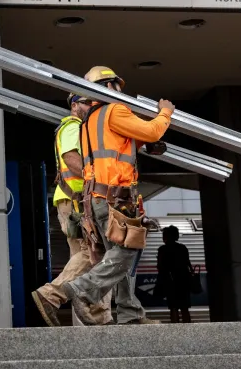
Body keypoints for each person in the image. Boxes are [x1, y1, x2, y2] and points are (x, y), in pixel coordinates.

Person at [61, 65, 174, 325]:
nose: (120, 91)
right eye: (117, 87)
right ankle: (83, 289)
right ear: (110, 86)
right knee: (126, 252)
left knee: (117, 254)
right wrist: (165, 111)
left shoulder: (89, 121)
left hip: (97, 199)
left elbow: (117, 145)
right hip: (115, 199)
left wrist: (142, 144)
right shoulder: (114, 109)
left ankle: (130, 313)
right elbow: (152, 130)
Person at [31, 94, 114, 327]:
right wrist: (100, 179)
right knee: (94, 253)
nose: (91, 107)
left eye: (93, 103)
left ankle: (97, 316)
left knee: (88, 258)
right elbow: (70, 158)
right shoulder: (73, 127)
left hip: (75, 201)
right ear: (74, 105)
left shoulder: (80, 128)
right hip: (77, 202)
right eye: (87, 103)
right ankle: (51, 294)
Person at [156, 225, 193, 323]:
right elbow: (188, 264)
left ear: (166, 237)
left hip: (170, 282)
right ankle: (188, 328)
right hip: (183, 281)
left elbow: (160, 267)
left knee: (173, 307)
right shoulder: (182, 248)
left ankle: (175, 329)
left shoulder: (162, 250)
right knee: (184, 307)